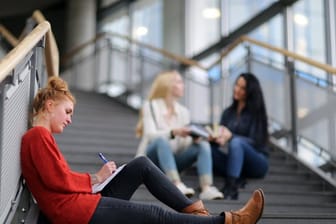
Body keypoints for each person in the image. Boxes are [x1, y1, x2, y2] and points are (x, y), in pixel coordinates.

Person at [20, 76, 265, 224]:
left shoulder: (41, 136)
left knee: (141, 164)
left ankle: (197, 214)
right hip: (75, 214)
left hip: (80, 206)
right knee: (153, 215)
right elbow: (58, 180)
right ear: (49, 106)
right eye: (68, 112)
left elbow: (56, 179)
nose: (70, 120)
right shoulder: (37, 135)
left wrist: (96, 181)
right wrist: (95, 178)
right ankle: (228, 221)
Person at [135, 70, 223, 200]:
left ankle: (206, 188)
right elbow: (150, 135)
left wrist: (194, 138)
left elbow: (183, 144)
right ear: (168, 85)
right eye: (179, 82)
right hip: (151, 161)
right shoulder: (151, 106)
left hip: (173, 161)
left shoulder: (184, 112)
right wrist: (174, 132)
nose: (183, 85)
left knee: (203, 144)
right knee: (161, 140)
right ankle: (176, 184)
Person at [210, 73, 269, 200]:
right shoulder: (228, 112)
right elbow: (222, 138)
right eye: (237, 85)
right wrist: (215, 139)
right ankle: (237, 176)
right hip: (235, 160)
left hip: (257, 162)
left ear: (250, 92)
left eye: (242, 88)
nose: (237, 89)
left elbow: (257, 142)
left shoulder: (256, 113)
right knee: (206, 148)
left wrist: (231, 136)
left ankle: (231, 187)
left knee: (236, 143)